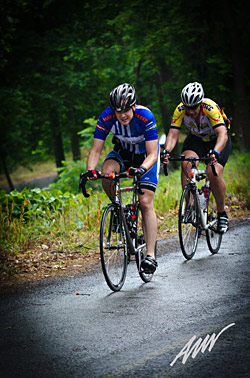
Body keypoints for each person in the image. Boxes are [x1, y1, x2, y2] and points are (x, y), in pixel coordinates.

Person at [85, 83, 160, 273]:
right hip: (123, 153)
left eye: (126, 109)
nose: (122, 114)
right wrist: (90, 170)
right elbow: (96, 149)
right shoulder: (107, 117)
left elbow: (153, 154)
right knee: (107, 173)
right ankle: (120, 209)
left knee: (145, 202)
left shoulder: (145, 116)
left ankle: (150, 255)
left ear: (133, 106)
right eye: (118, 111)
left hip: (146, 157)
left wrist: (141, 169)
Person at [161, 82, 231, 234]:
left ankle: (221, 214)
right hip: (197, 139)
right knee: (186, 163)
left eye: (194, 107)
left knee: (213, 173)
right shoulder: (180, 110)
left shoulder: (210, 108)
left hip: (217, 140)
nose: (191, 111)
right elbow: (173, 135)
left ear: (200, 103)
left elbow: (222, 134)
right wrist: (166, 151)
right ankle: (191, 207)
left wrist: (216, 152)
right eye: (188, 107)